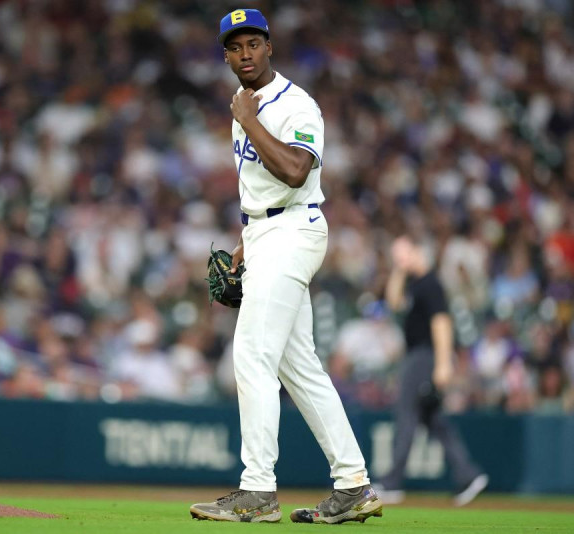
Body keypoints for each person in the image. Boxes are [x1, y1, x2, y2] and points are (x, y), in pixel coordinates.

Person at [189, 9, 383, 524]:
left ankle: (258, 490)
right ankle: (354, 484)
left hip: (295, 229)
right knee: (298, 367)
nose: (245, 54)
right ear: (226, 56)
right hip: (267, 231)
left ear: (269, 47)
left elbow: (297, 172)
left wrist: (249, 121)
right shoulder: (244, 105)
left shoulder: (295, 104)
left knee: (252, 353)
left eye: (253, 43)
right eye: (235, 47)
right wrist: (247, 238)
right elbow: (262, 187)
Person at [376, 235, 489, 506]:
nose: (400, 260)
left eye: (404, 254)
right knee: (433, 420)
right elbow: (393, 303)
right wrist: (399, 270)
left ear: (417, 251)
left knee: (406, 413)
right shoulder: (414, 283)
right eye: (396, 257)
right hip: (420, 355)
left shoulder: (430, 283)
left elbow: (442, 323)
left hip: (424, 356)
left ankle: (392, 482)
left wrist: (443, 363)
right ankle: (468, 475)